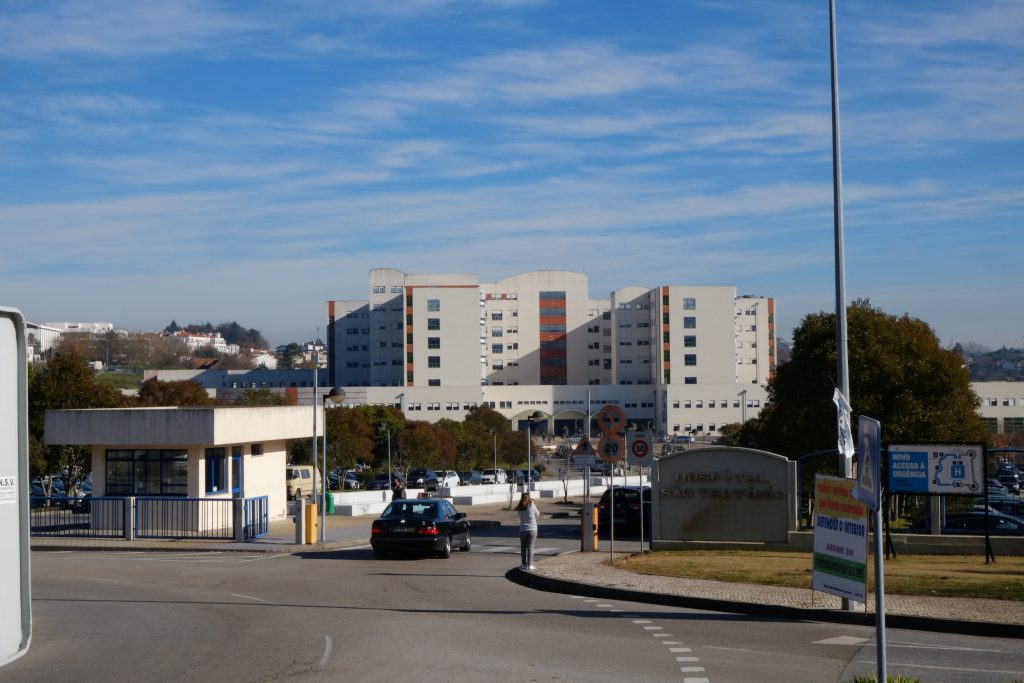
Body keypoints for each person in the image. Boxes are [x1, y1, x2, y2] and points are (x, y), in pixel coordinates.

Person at [516, 491, 539, 571]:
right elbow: (537, 514)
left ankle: (523, 564)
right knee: (530, 547)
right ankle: (530, 565)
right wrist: (532, 502)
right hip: (532, 529)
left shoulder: (519, 507)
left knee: (523, 547)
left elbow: (520, 515)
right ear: (529, 498)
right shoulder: (532, 505)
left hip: (523, 529)